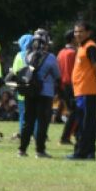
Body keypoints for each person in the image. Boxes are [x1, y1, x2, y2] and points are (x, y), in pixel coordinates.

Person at [18, 29, 60, 158]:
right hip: (45, 93)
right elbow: (57, 75)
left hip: (29, 91)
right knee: (42, 122)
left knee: (27, 121)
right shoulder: (51, 57)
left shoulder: (24, 55)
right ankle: (40, 151)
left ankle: (22, 150)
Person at [66, 20, 96, 161]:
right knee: (84, 123)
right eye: (76, 31)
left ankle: (82, 152)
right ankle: (88, 152)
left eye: (81, 31)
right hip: (80, 91)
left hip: (88, 91)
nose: (78, 34)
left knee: (86, 124)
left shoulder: (90, 47)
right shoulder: (81, 47)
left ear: (88, 32)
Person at [57, 30, 78, 145]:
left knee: (72, 112)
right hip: (71, 86)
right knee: (75, 112)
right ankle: (66, 137)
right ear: (73, 39)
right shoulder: (73, 53)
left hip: (61, 86)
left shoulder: (61, 52)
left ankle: (72, 135)